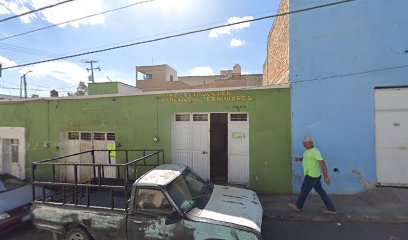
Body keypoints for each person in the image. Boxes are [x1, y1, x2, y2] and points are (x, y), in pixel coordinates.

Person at [289, 136, 337, 214]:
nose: (304, 145)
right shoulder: (307, 151)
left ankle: (298, 206)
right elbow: (306, 158)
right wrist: (299, 159)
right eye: (303, 143)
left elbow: (323, 164)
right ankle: (331, 208)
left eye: (306, 143)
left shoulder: (315, 151)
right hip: (315, 177)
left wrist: (326, 177)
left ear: (311, 143)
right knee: (321, 192)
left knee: (304, 191)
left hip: (311, 176)